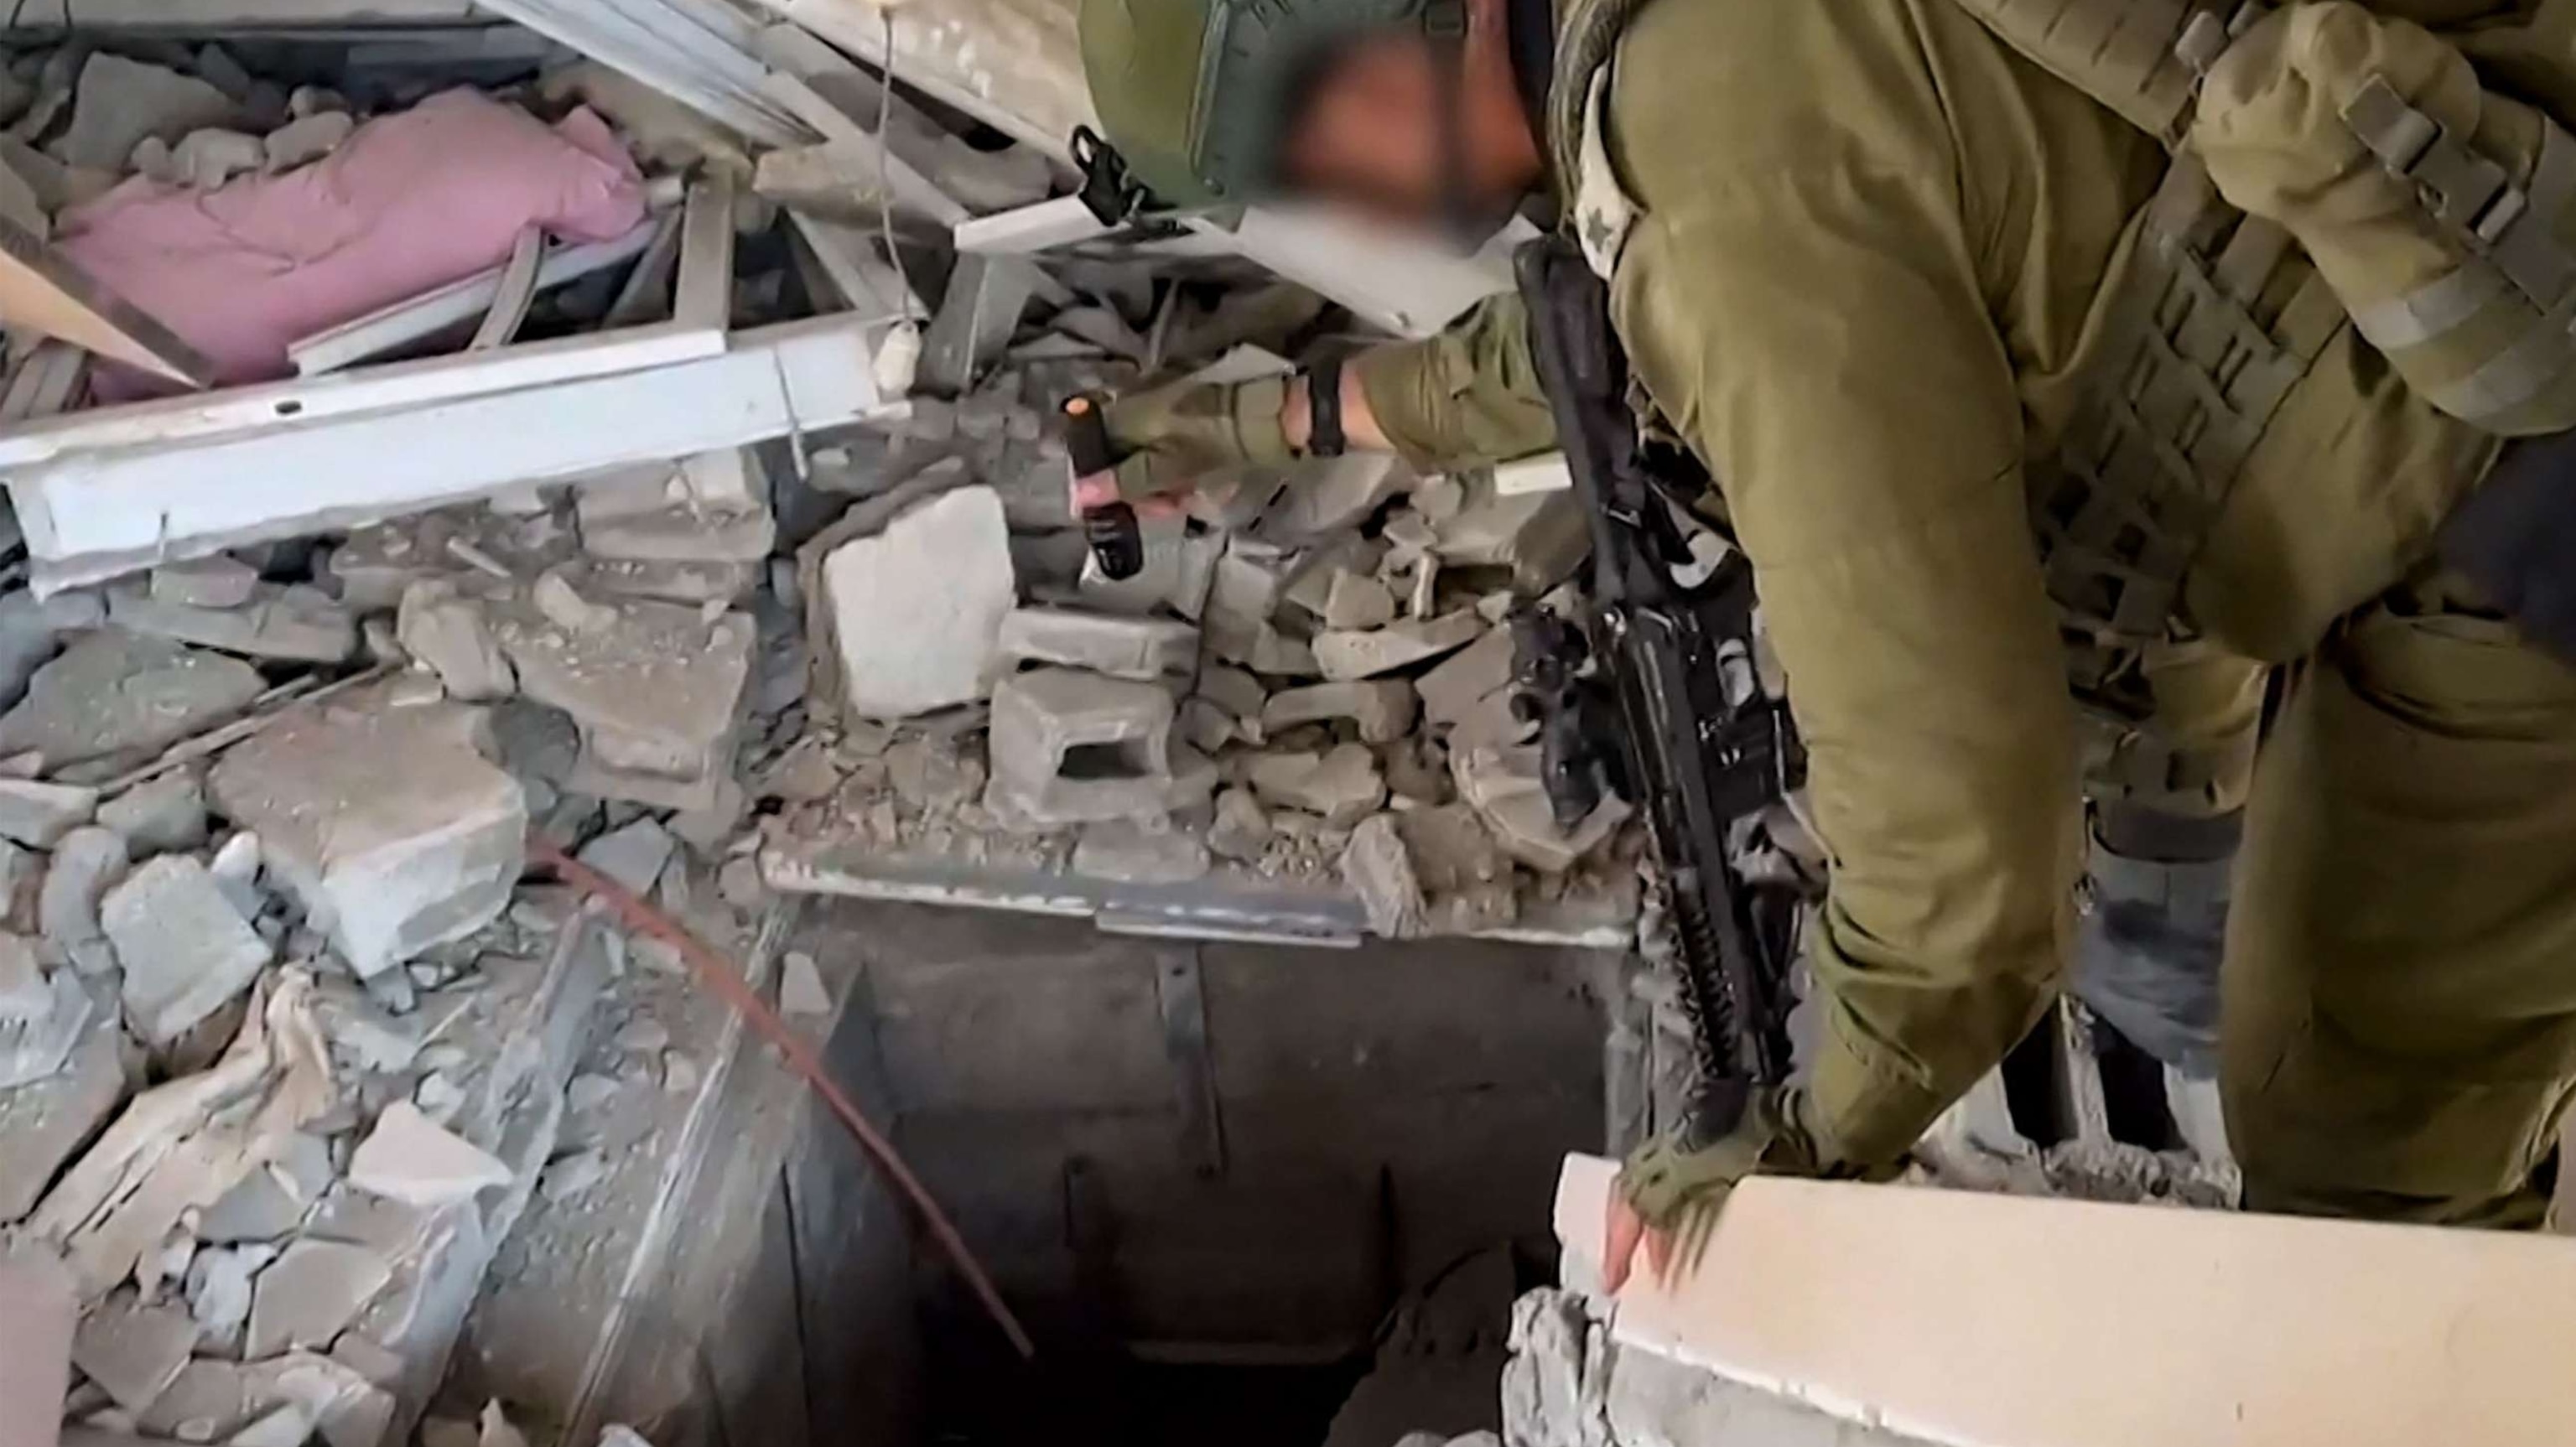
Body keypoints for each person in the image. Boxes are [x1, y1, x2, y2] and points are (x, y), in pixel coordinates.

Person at [1073, 0, 2576, 1273]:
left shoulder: (1715, 171)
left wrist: (1804, 1135)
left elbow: (1961, 857)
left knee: (2372, 1183)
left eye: (1323, 155)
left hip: (2513, 483)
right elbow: (1601, 331)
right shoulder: (1679, 54)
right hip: (2415, 362)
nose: (1359, 207)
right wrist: (1267, 419)